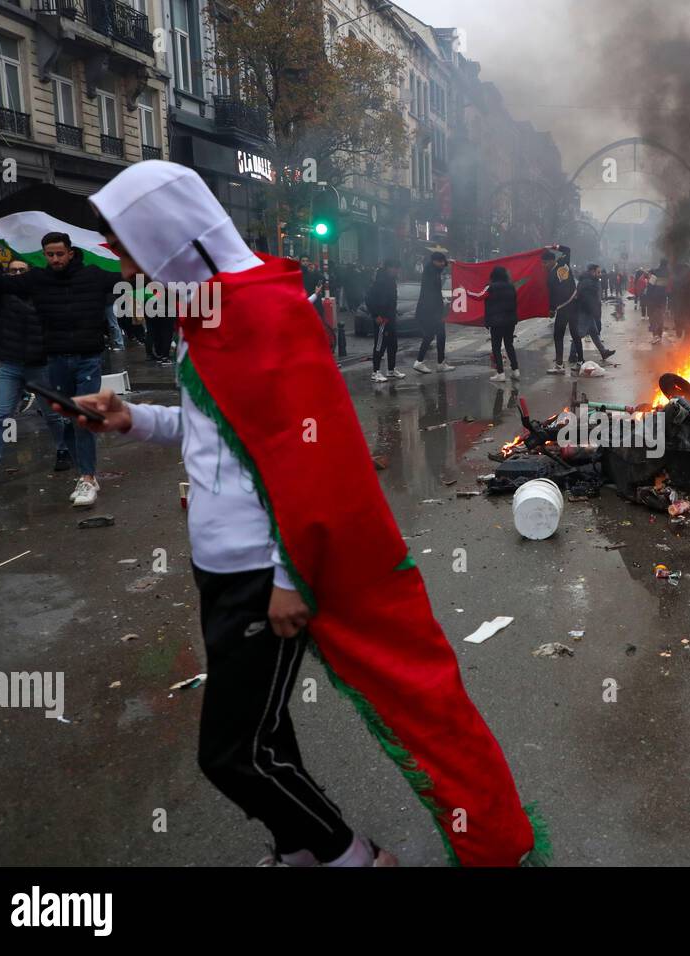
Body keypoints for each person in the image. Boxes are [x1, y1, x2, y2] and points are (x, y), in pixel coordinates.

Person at [64, 160, 543, 867]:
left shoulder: (261, 309)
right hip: (218, 567)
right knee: (264, 734)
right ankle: (300, 848)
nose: (126, 265)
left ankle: (351, 858)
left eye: (131, 246)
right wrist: (131, 417)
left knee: (229, 755)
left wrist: (291, 575)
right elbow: (215, 427)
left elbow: (312, 457)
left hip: (264, 570)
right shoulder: (209, 312)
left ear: (170, 239)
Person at [0, 227, 116, 507]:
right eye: (50, 255)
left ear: (70, 253)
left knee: (82, 417)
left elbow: (129, 278)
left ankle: (87, 476)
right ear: (44, 255)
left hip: (87, 360)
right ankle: (76, 461)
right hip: (55, 361)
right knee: (68, 419)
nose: (55, 259)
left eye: (60, 254)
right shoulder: (37, 280)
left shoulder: (93, 276)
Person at [0, 257, 70, 484]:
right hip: (10, 364)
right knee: (1, 415)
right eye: (12, 271)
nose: (16, 274)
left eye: (21, 270)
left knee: (51, 414)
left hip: (39, 366)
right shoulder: (2, 295)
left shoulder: (43, 296)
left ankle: (63, 449)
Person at [473, 265, 520, 383]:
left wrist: (465, 291)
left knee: (496, 348)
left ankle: (500, 373)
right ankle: (515, 370)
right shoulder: (511, 287)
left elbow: (479, 296)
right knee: (509, 345)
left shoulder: (491, 287)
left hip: (496, 322)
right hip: (510, 321)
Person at [412, 251, 454, 374]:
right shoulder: (430, 272)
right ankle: (420, 362)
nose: (442, 264)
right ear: (435, 261)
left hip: (432, 310)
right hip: (430, 310)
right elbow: (431, 294)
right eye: (441, 262)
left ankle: (439, 363)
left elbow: (440, 269)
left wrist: (448, 263)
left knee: (438, 335)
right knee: (432, 335)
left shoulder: (431, 269)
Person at [366, 260, 403, 382]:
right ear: (388, 268)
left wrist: (394, 312)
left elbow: (392, 300)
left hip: (391, 317)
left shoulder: (392, 282)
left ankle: (391, 369)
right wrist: (376, 315)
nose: (396, 271)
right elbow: (369, 299)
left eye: (398, 268)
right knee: (380, 345)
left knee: (393, 344)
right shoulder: (379, 282)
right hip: (382, 318)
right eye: (394, 268)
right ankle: (375, 371)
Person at [542, 246, 577, 374]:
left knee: (558, 335)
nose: (544, 265)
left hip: (564, 307)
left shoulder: (551, 276)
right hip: (573, 304)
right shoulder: (563, 262)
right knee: (575, 334)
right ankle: (580, 362)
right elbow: (567, 250)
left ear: (552, 261)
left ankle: (559, 365)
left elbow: (553, 296)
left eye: (545, 263)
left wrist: (553, 246)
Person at [572, 263, 615, 365]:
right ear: (592, 272)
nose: (600, 274)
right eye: (598, 272)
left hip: (589, 312)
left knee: (594, 333)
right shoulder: (588, 282)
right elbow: (587, 299)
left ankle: (603, 352)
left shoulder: (591, 281)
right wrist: (593, 309)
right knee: (580, 334)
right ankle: (572, 355)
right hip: (585, 311)